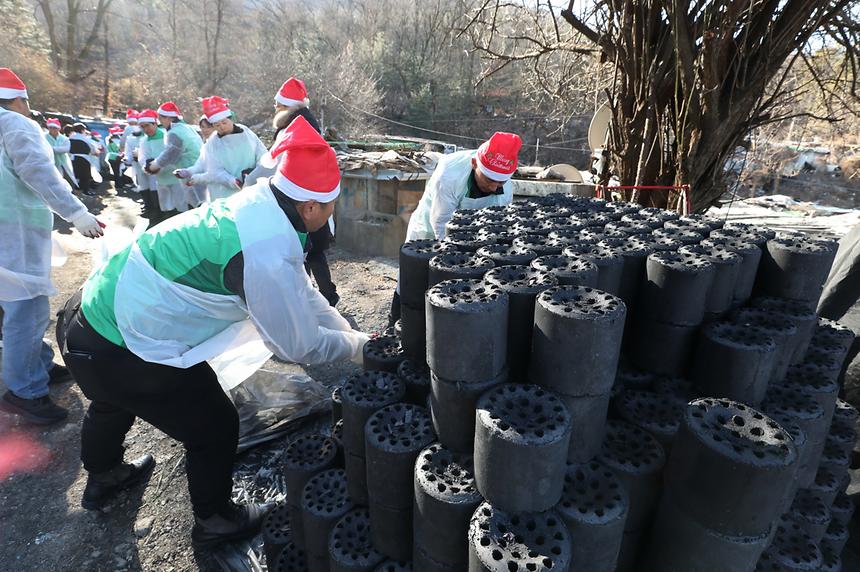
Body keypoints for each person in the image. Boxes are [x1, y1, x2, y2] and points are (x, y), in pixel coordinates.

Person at [59, 115, 368, 547]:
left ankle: (104, 474)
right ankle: (215, 520)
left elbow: (302, 290)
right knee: (215, 425)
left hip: (91, 317)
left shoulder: (263, 204)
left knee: (111, 399)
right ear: (311, 207)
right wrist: (356, 347)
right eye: (333, 205)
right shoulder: (264, 250)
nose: (334, 213)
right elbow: (297, 345)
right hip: (122, 340)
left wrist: (343, 326)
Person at [0, 68, 104, 425]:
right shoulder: (14, 123)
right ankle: (25, 390)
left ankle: (38, 364)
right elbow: (38, 171)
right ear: (19, 100)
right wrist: (77, 213)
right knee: (26, 311)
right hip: (13, 231)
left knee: (12, 309)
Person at [390, 131, 523, 323]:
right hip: (428, 231)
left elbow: (498, 225)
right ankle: (396, 323)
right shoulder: (450, 173)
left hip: (474, 235)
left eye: (501, 181)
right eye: (489, 180)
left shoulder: (505, 189)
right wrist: (459, 262)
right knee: (412, 280)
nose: (495, 187)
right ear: (474, 164)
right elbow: (441, 223)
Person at [245, 77, 338, 305]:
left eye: (278, 104)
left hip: (300, 201)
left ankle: (314, 297)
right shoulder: (305, 122)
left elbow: (280, 165)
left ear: (287, 106)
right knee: (313, 254)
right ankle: (325, 295)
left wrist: (253, 180)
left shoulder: (293, 127)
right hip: (312, 199)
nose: (275, 107)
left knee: (305, 253)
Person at [174, 96, 266, 202]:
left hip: (253, 186)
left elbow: (261, 154)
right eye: (217, 125)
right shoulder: (213, 142)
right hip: (225, 194)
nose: (222, 127)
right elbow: (214, 170)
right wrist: (233, 181)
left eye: (224, 123)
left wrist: (257, 174)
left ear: (230, 119)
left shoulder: (246, 132)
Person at [144, 101, 203, 212]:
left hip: (189, 171)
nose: (160, 122)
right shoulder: (186, 128)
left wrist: (154, 165)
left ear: (168, 119)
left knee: (197, 206)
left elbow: (170, 154)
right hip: (197, 169)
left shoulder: (175, 132)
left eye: (161, 119)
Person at [69, 123, 101, 196]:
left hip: (73, 158)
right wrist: (96, 152)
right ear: (82, 130)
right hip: (84, 158)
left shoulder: (70, 137)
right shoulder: (84, 138)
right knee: (85, 175)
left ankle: (76, 189)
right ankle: (85, 191)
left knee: (75, 174)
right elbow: (92, 148)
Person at [44, 118, 77, 186]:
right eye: (50, 127)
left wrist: (51, 149)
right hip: (48, 162)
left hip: (62, 162)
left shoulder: (64, 138)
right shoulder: (44, 137)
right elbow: (42, 147)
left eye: (55, 128)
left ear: (59, 128)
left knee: (65, 181)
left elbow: (66, 149)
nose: (52, 129)